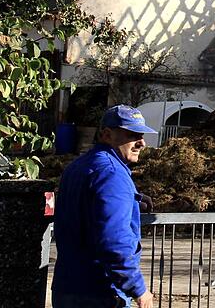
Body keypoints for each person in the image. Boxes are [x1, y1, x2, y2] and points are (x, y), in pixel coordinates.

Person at [52, 105, 158, 308]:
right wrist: (138, 289)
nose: (141, 143)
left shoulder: (78, 166)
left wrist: (132, 199)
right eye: (132, 135)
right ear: (107, 135)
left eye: (141, 135)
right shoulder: (112, 174)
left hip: (67, 287)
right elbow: (114, 238)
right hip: (100, 291)